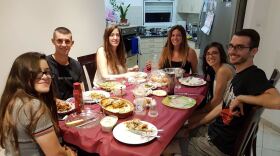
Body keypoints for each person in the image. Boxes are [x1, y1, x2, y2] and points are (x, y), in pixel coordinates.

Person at [163, 29, 280, 156]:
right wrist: (196, 123)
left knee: (163, 146)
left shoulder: (253, 75)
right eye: (231, 46)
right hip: (214, 132)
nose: (233, 51)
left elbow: (277, 101)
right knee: (171, 133)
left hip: (217, 146)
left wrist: (241, 98)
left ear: (253, 51)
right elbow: (221, 106)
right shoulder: (238, 75)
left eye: (240, 47)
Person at [0, 52, 76, 156]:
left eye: (47, 72)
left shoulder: (10, 100)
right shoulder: (33, 106)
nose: (46, 77)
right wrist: (70, 153)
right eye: (38, 73)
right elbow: (56, 154)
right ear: (23, 75)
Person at [188, 42, 235, 128]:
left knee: (185, 121)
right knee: (188, 117)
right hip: (222, 109)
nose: (210, 56)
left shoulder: (222, 71)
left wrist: (199, 111)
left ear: (221, 55)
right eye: (208, 54)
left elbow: (216, 101)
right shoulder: (221, 68)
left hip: (223, 114)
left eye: (215, 53)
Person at [47, 27, 84, 100]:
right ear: (53, 41)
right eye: (59, 41)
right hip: (52, 107)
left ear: (72, 43)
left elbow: (81, 90)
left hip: (73, 106)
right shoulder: (45, 63)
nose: (64, 45)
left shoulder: (76, 65)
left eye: (67, 41)